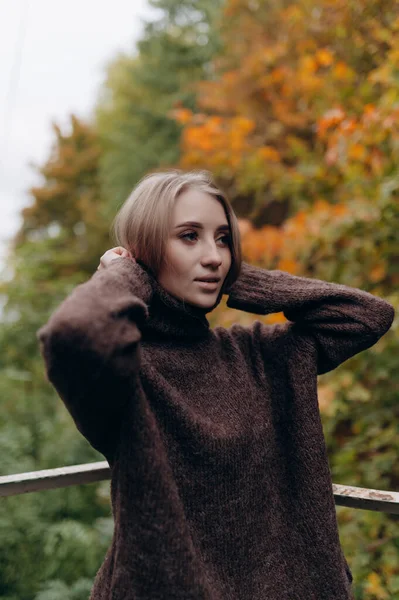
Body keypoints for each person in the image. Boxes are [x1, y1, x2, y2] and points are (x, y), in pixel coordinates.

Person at [37, 169, 395, 600]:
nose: (214, 256)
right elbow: (74, 333)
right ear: (145, 250)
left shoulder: (258, 355)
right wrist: (128, 273)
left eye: (223, 239)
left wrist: (240, 279)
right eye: (189, 236)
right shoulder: (126, 369)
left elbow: (366, 316)